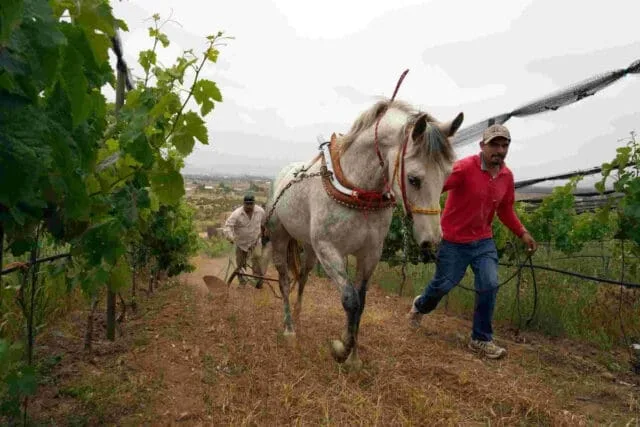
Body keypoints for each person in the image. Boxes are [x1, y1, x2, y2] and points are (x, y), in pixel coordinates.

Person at [408, 124, 537, 359]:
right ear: (482, 146)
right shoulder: (465, 168)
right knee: (442, 286)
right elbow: (435, 185)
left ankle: (480, 339)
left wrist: (522, 232)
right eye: (494, 144)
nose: (499, 149)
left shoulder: (507, 177)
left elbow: (505, 210)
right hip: (454, 242)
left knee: (489, 283)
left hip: (483, 242)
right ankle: (421, 305)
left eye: (504, 145)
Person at [223, 193, 266, 289]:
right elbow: (227, 227)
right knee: (241, 264)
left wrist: (263, 233)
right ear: (243, 203)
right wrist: (230, 238)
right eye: (247, 204)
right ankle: (242, 283)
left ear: (254, 203)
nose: (249, 206)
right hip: (241, 243)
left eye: (251, 204)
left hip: (256, 241)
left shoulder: (260, 211)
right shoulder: (237, 214)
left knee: (257, 259)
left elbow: (264, 223)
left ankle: (258, 281)